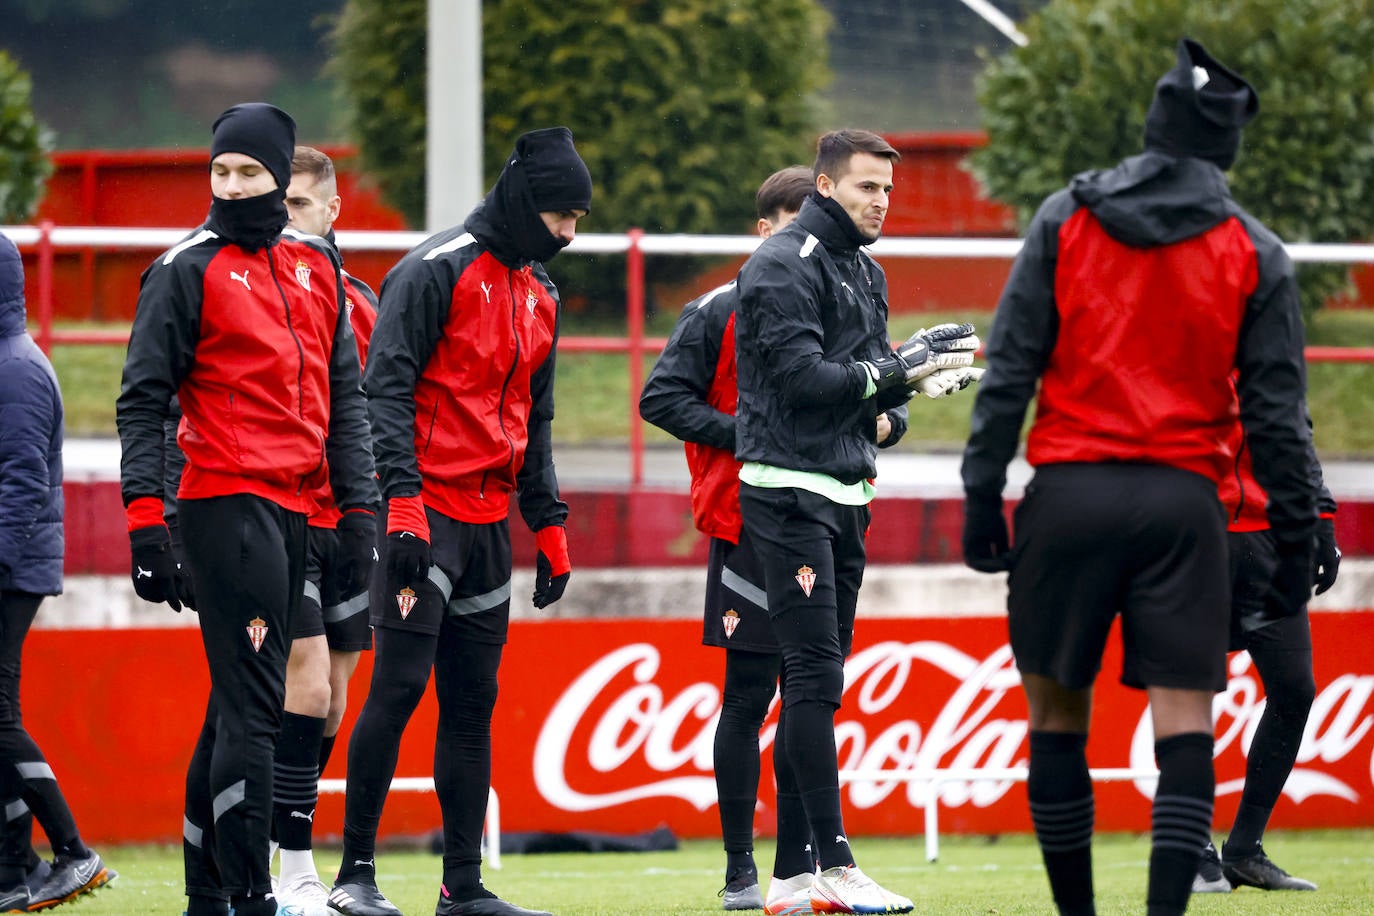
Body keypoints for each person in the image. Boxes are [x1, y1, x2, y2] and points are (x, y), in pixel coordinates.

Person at [960, 39, 1319, 916]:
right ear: (1226, 148)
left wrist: (979, 495)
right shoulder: (1253, 250)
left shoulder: (1064, 218)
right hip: (1185, 511)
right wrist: (1300, 536)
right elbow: (1277, 419)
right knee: (1184, 727)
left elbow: (1008, 371)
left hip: (1067, 501)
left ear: (1153, 127)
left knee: (1056, 720)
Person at [117, 102, 379, 916]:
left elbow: (343, 402)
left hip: (303, 508)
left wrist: (359, 512)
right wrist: (144, 520)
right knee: (256, 710)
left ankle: (207, 897)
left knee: (235, 708)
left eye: (249, 174)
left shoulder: (316, 270)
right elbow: (143, 401)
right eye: (219, 173)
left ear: (277, 177)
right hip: (224, 501)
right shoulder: (182, 269)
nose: (232, 189)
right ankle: (252, 896)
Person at [328, 126, 591, 916]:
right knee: (399, 690)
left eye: (578, 216)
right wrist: (400, 503)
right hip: (423, 517)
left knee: (472, 708)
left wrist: (547, 525)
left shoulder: (540, 292)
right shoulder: (433, 270)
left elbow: (535, 419)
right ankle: (354, 877)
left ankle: (463, 889)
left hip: (488, 528)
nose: (569, 232)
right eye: (558, 214)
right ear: (520, 199)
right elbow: (385, 390)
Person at [733, 129, 980, 916]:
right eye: (867, 186)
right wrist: (897, 368)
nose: (881, 201)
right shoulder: (779, 264)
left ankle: (791, 879)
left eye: (888, 190)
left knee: (819, 681)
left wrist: (907, 389)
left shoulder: (865, 270)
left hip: (845, 493)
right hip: (786, 493)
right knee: (812, 676)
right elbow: (805, 382)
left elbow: (872, 400)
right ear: (825, 184)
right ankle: (834, 864)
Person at [259, 145, 380, 915]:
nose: (285, 221)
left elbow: (378, 403)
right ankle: (293, 868)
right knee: (302, 685)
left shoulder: (358, 298)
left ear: (332, 211)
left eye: (299, 206)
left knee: (332, 699)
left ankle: (280, 843)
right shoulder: (244, 288)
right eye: (279, 206)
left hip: (350, 516)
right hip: (276, 513)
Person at [0, 231, 117, 912]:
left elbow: (19, 485)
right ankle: (18, 870)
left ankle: (72, 852)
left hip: (11, 568)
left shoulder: (16, 370)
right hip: (16, 560)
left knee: (1, 719)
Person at [1192, 407, 1340, 894]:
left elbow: (1298, 434)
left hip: (1272, 543)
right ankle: (1193, 849)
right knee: (1188, 693)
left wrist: (1321, 518)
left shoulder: (1272, 346)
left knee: (1295, 690)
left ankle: (1244, 850)